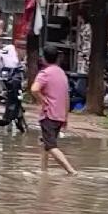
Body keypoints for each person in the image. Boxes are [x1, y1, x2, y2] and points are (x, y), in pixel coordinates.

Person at [30, 43, 75, 175]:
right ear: (57, 58)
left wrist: (42, 99)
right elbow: (66, 97)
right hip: (60, 115)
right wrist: (66, 117)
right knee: (46, 143)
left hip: (49, 115)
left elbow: (34, 89)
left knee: (50, 146)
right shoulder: (61, 73)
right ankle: (43, 171)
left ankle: (71, 171)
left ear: (43, 58)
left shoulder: (45, 73)